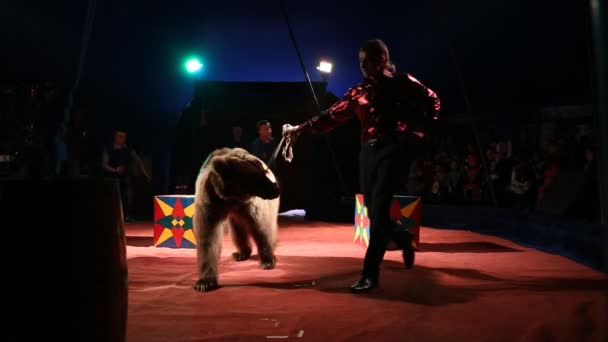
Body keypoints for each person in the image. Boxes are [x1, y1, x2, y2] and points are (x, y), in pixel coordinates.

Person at [282, 39, 440, 293]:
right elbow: (332, 114)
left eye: (369, 60)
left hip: (393, 150)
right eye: (361, 62)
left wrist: (420, 131)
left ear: (382, 60)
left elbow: (432, 100)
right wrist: (301, 129)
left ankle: (370, 274)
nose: (364, 66)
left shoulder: (402, 82)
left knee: (378, 214)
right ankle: (402, 237)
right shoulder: (358, 92)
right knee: (370, 209)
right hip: (367, 153)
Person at [102, 129, 150, 223]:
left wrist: (144, 173)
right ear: (115, 137)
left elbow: (138, 161)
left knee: (127, 196)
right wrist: (114, 170)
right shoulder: (108, 148)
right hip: (112, 177)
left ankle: (127, 215)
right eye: (119, 136)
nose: (122, 139)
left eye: (123, 137)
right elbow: (104, 164)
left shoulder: (128, 149)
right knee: (113, 197)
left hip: (125, 177)